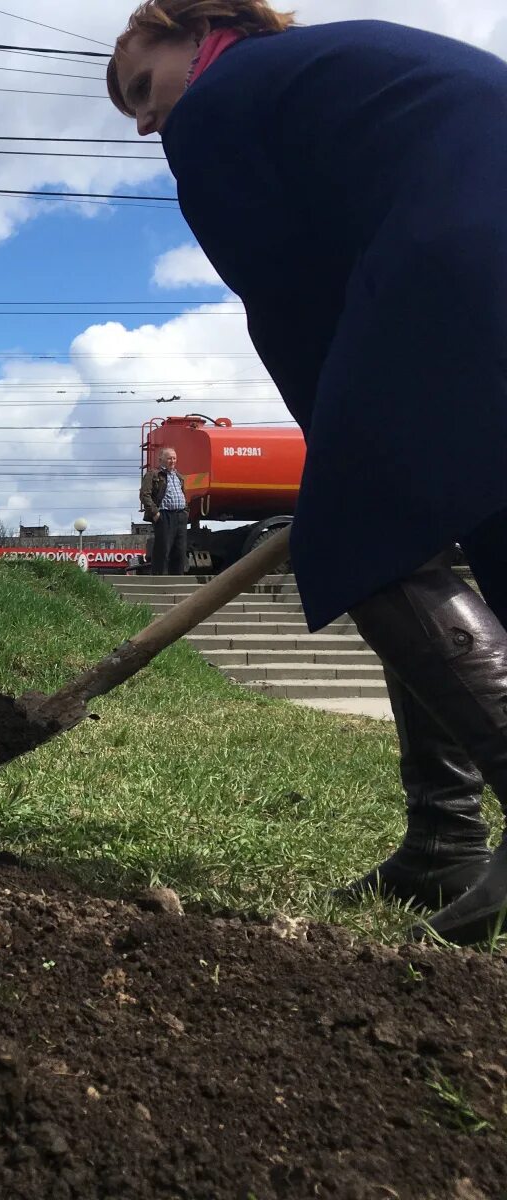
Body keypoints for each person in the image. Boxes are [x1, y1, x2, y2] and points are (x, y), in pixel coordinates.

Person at [108, 2, 507, 943]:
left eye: (137, 86)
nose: (141, 120)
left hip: (460, 243)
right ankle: (444, 839)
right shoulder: (316, 76)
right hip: (478, 239)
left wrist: (340, 467)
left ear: (189, 28)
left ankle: (449, 828)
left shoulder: (219, 104)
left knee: (366, 533)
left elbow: (286, 296)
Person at [139, 446, 189, 576]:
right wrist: (155, 513)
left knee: (179, 551)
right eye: (169, 458)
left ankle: (177, 580)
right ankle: (158, 579)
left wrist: (186, 512)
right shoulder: (153, 475)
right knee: (163, 549)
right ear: (160, 459)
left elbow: (183, 494)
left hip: (180, 516)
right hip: (164, 515)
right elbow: (144, 495)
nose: (172, 461)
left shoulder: (179, 476)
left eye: (174, 458)